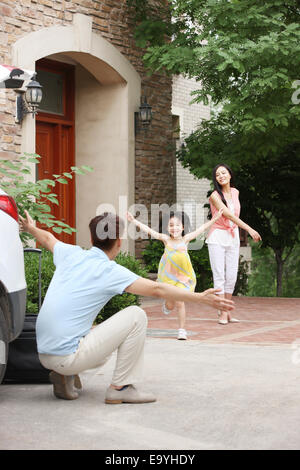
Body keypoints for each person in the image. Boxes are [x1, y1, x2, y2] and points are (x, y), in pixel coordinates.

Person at [19, 210, 234, 403]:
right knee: (136, 316)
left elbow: (47, 238)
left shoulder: (72, 253)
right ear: (119, 242)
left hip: (42, 352)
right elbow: (158, 289)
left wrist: (30, 228)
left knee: (97, 340)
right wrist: (199, 297)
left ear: (92, 238)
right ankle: (120, 387)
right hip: (66, 355)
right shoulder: (109, 271)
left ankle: (64, 374)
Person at [127, 209, 223, 340]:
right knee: (171, 304)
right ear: (167, 227)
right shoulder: (166, 239)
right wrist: (134, 221)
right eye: (171, 225)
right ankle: (167, 303)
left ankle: (182, 330)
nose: (174, 228)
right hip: (168, 277)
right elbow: (149, 231)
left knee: (180, 302)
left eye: (177, 225)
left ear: (183, 227)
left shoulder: (186, 239)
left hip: (183, 276)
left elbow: (201, 229)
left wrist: (215, 219)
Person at [206, 164, 262, 325]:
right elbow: (229, 215)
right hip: (217, 236)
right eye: (217, 174)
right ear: (215, 179)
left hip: (232, 236)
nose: (221, 176)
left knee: (231, 275)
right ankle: (223, 312)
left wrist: (241, 230)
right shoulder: (214, 196)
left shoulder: (236, 192)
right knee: (219, 276)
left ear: (230, 175)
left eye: (224, 173)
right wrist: (249, 229)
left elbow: (235, 214)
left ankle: (227, 311)